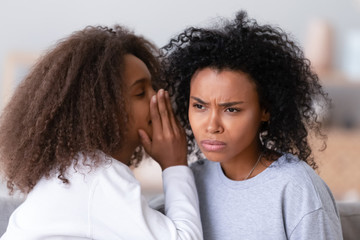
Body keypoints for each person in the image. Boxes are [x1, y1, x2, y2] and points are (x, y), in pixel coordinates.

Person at [0, 25, 202, 239]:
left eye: (154, 86)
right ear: (103, 109)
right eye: (141, 92)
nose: (158, 97)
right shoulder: (97, 175)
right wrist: (175, 165)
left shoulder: (74, 171)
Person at [161, 10, 343, 240]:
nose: (212, 125)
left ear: (265, 109)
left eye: (231, 109)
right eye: (200, 106)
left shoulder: (297, 189)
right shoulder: (190, 182)